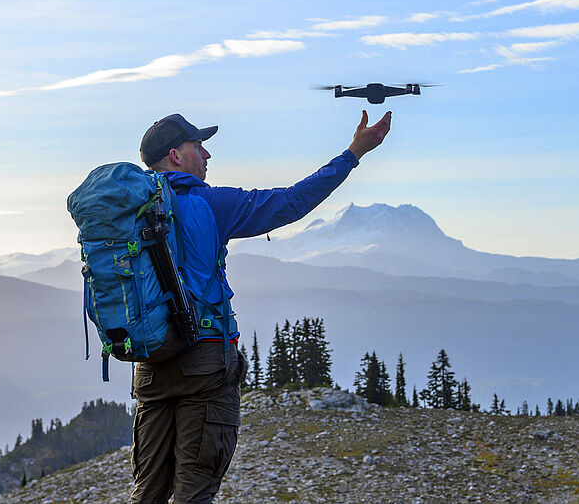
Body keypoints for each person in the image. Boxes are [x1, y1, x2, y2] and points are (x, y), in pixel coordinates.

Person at [131, 109, 391, 503]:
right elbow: (290, 202)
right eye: (198, 146)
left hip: (149, 366)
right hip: (204, 364)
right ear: (176, 155)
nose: (207, 155)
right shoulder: (212, 203)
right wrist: (353, 153)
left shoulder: (126, 212)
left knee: (146, 493)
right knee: (194, 492)